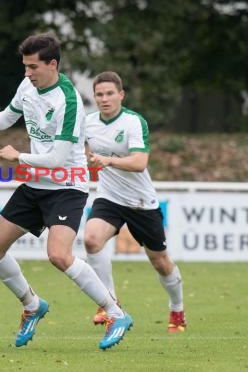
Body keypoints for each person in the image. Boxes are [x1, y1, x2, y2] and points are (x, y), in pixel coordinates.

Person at [0, 33, 133, 350]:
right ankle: (33, 305)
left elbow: (58, 159)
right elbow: (10, 114)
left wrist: (17, 156)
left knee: (59, 255)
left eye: (33, 67)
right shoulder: (28, 85)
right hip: (35, 184)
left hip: (66, 185)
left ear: (53, 64)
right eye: (25, 66)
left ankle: (116, 313)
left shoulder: (69, 101)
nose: (27, 73)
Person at [83, 71, 186, 332]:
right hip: (109, 196)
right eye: (99, 94)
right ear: (94, 97)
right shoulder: (88, 123)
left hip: (141, 202)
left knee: (160, 262)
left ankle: (177, 309)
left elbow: (140, 163)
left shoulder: (133, 122)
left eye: (109, 94)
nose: (104, 99)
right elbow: (85, 154)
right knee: (92, 240)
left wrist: (108, 160)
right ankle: (109, 302)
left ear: (121, 95)